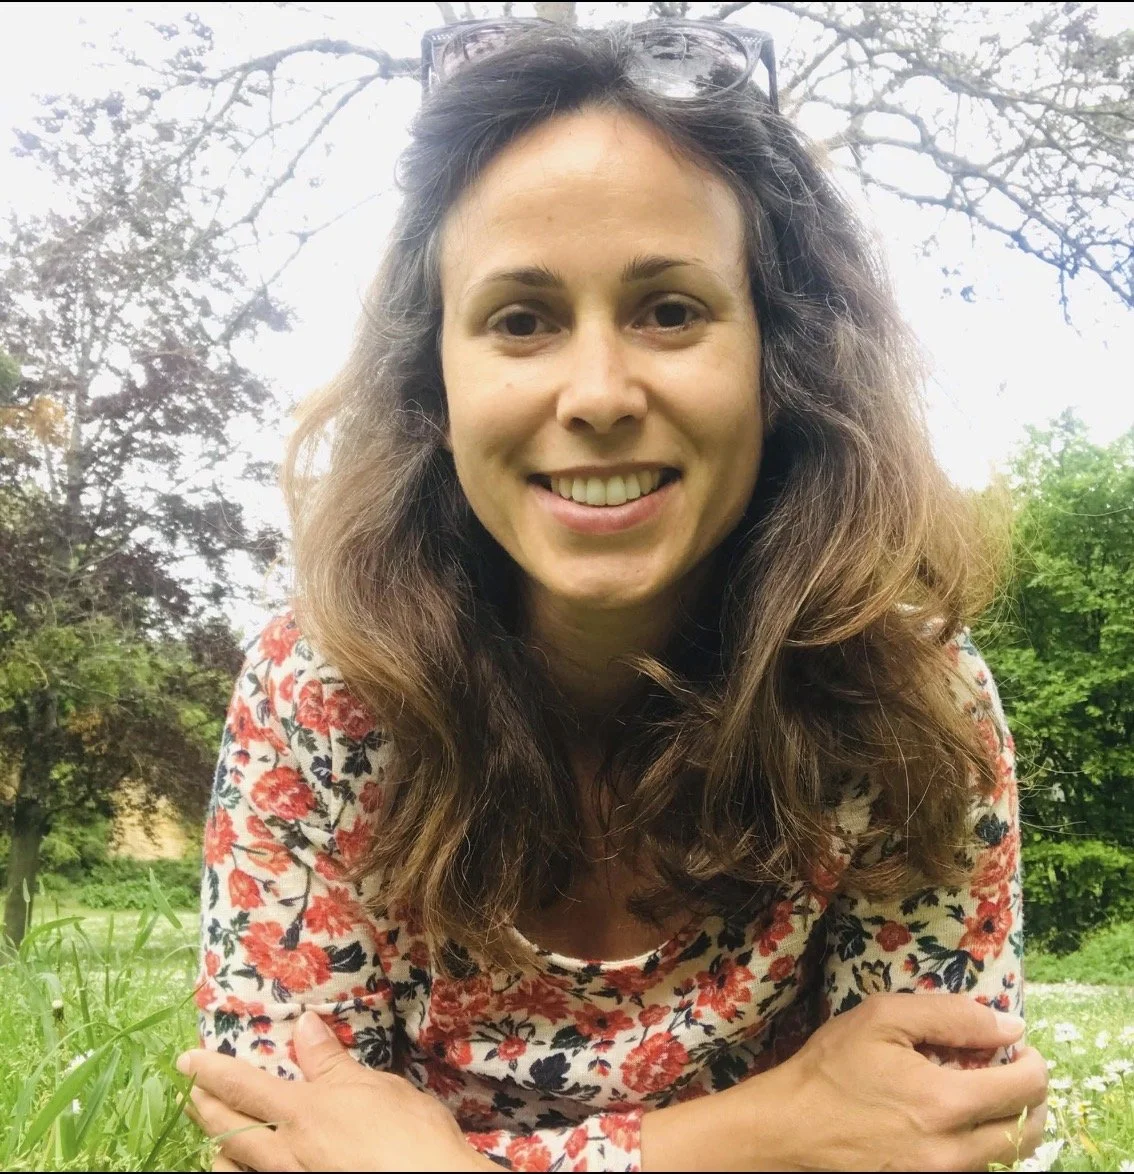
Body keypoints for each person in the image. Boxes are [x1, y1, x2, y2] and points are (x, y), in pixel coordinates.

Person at [179, 17, 1048, 1172]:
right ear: (432, 378)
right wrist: (763, 1133)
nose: (596, 393)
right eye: (521, 319)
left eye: (670, 310)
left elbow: (928, 1137)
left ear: (781, 361)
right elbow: (281, 1137)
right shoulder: (322, 691)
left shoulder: (909, 703)